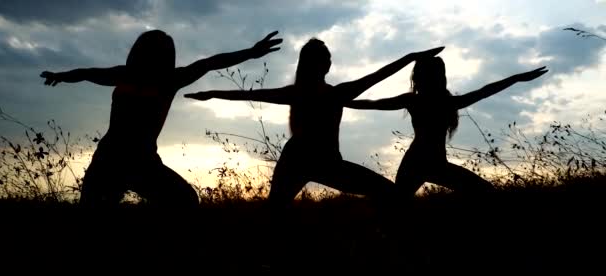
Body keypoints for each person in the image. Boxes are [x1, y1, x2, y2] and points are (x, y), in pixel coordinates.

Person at [185, 38, 444, 205]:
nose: (328, 62)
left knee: (391, 194)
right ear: (323, 65)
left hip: (318, 162)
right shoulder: (326, 93)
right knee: (276, 216)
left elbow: (377, 75)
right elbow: (249, 94)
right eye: (325, 59)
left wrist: (211, 94)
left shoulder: (320, 92)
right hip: (304, 161)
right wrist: (409, 56)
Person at [40, 30, 282, 207]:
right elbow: (86, 73)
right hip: (111, 160)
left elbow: (210, 63)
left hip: (138, 162)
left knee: (185, 200)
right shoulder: (134, 76)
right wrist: (61, 76)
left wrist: (251, 53)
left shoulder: (163, 79)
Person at [347, 57, 548, 198]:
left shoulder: (428, 101)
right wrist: (340, 101)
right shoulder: (425, 101)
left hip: (427, 163)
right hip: (419, 163)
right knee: (397, 206)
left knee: (397, 205)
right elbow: (374, 103)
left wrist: (517, 78)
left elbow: (485, 91)